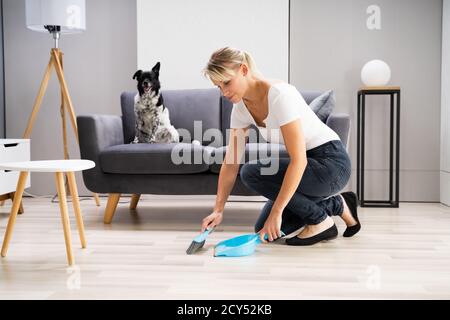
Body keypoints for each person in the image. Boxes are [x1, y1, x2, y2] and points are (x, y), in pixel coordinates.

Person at [201, 47, 361, 246]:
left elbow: (299, 160)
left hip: (331, 163)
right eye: (218, 86)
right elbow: (231, 163)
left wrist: (277, 211)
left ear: (243, 70)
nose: (224, 92)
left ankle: (321, 222)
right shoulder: (240, 109)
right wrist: (218, 209)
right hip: (308, 168)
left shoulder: (279, 95)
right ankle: (337, 204)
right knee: (264, 229)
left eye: (226, 82)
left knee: (251, 172)